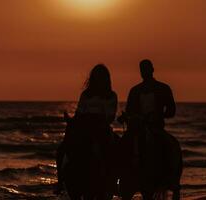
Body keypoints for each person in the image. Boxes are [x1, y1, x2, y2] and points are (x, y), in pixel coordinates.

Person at [56, 64, 118, 200]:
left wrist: (96, 119)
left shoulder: (111, 96)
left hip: (102, 129)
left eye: (101, 77)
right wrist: (72, 119)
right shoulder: (86, 94)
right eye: (96, 77)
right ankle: (60, 181)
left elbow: (110, 117)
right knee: (62, 149)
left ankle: (113, 182)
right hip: (85, 128)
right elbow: (79, 112)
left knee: (116, 150)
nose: (98, 79)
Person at [125, 59, 178, 200]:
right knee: (123, 146)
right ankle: (122, 179)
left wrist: (159, 115)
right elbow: (129, 111)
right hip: (138, 129)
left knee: (169, 146)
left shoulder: (163, 88)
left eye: (147, 69)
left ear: (152, 70)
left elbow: (172, 110)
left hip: (156, 127)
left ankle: (171, 178)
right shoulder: (135, 91)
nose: (145, 72)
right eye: (142, 69)